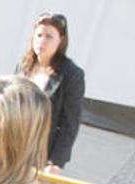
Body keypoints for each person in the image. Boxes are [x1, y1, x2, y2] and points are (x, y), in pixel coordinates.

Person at [17, 12, 85, 173]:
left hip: (40, 152)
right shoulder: (23, 66)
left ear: (61, 40)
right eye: (39, 35)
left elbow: (70, 122)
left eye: (49, 36)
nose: (42, 41)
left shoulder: (71, 74)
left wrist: (56, 161)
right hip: (13, 142)